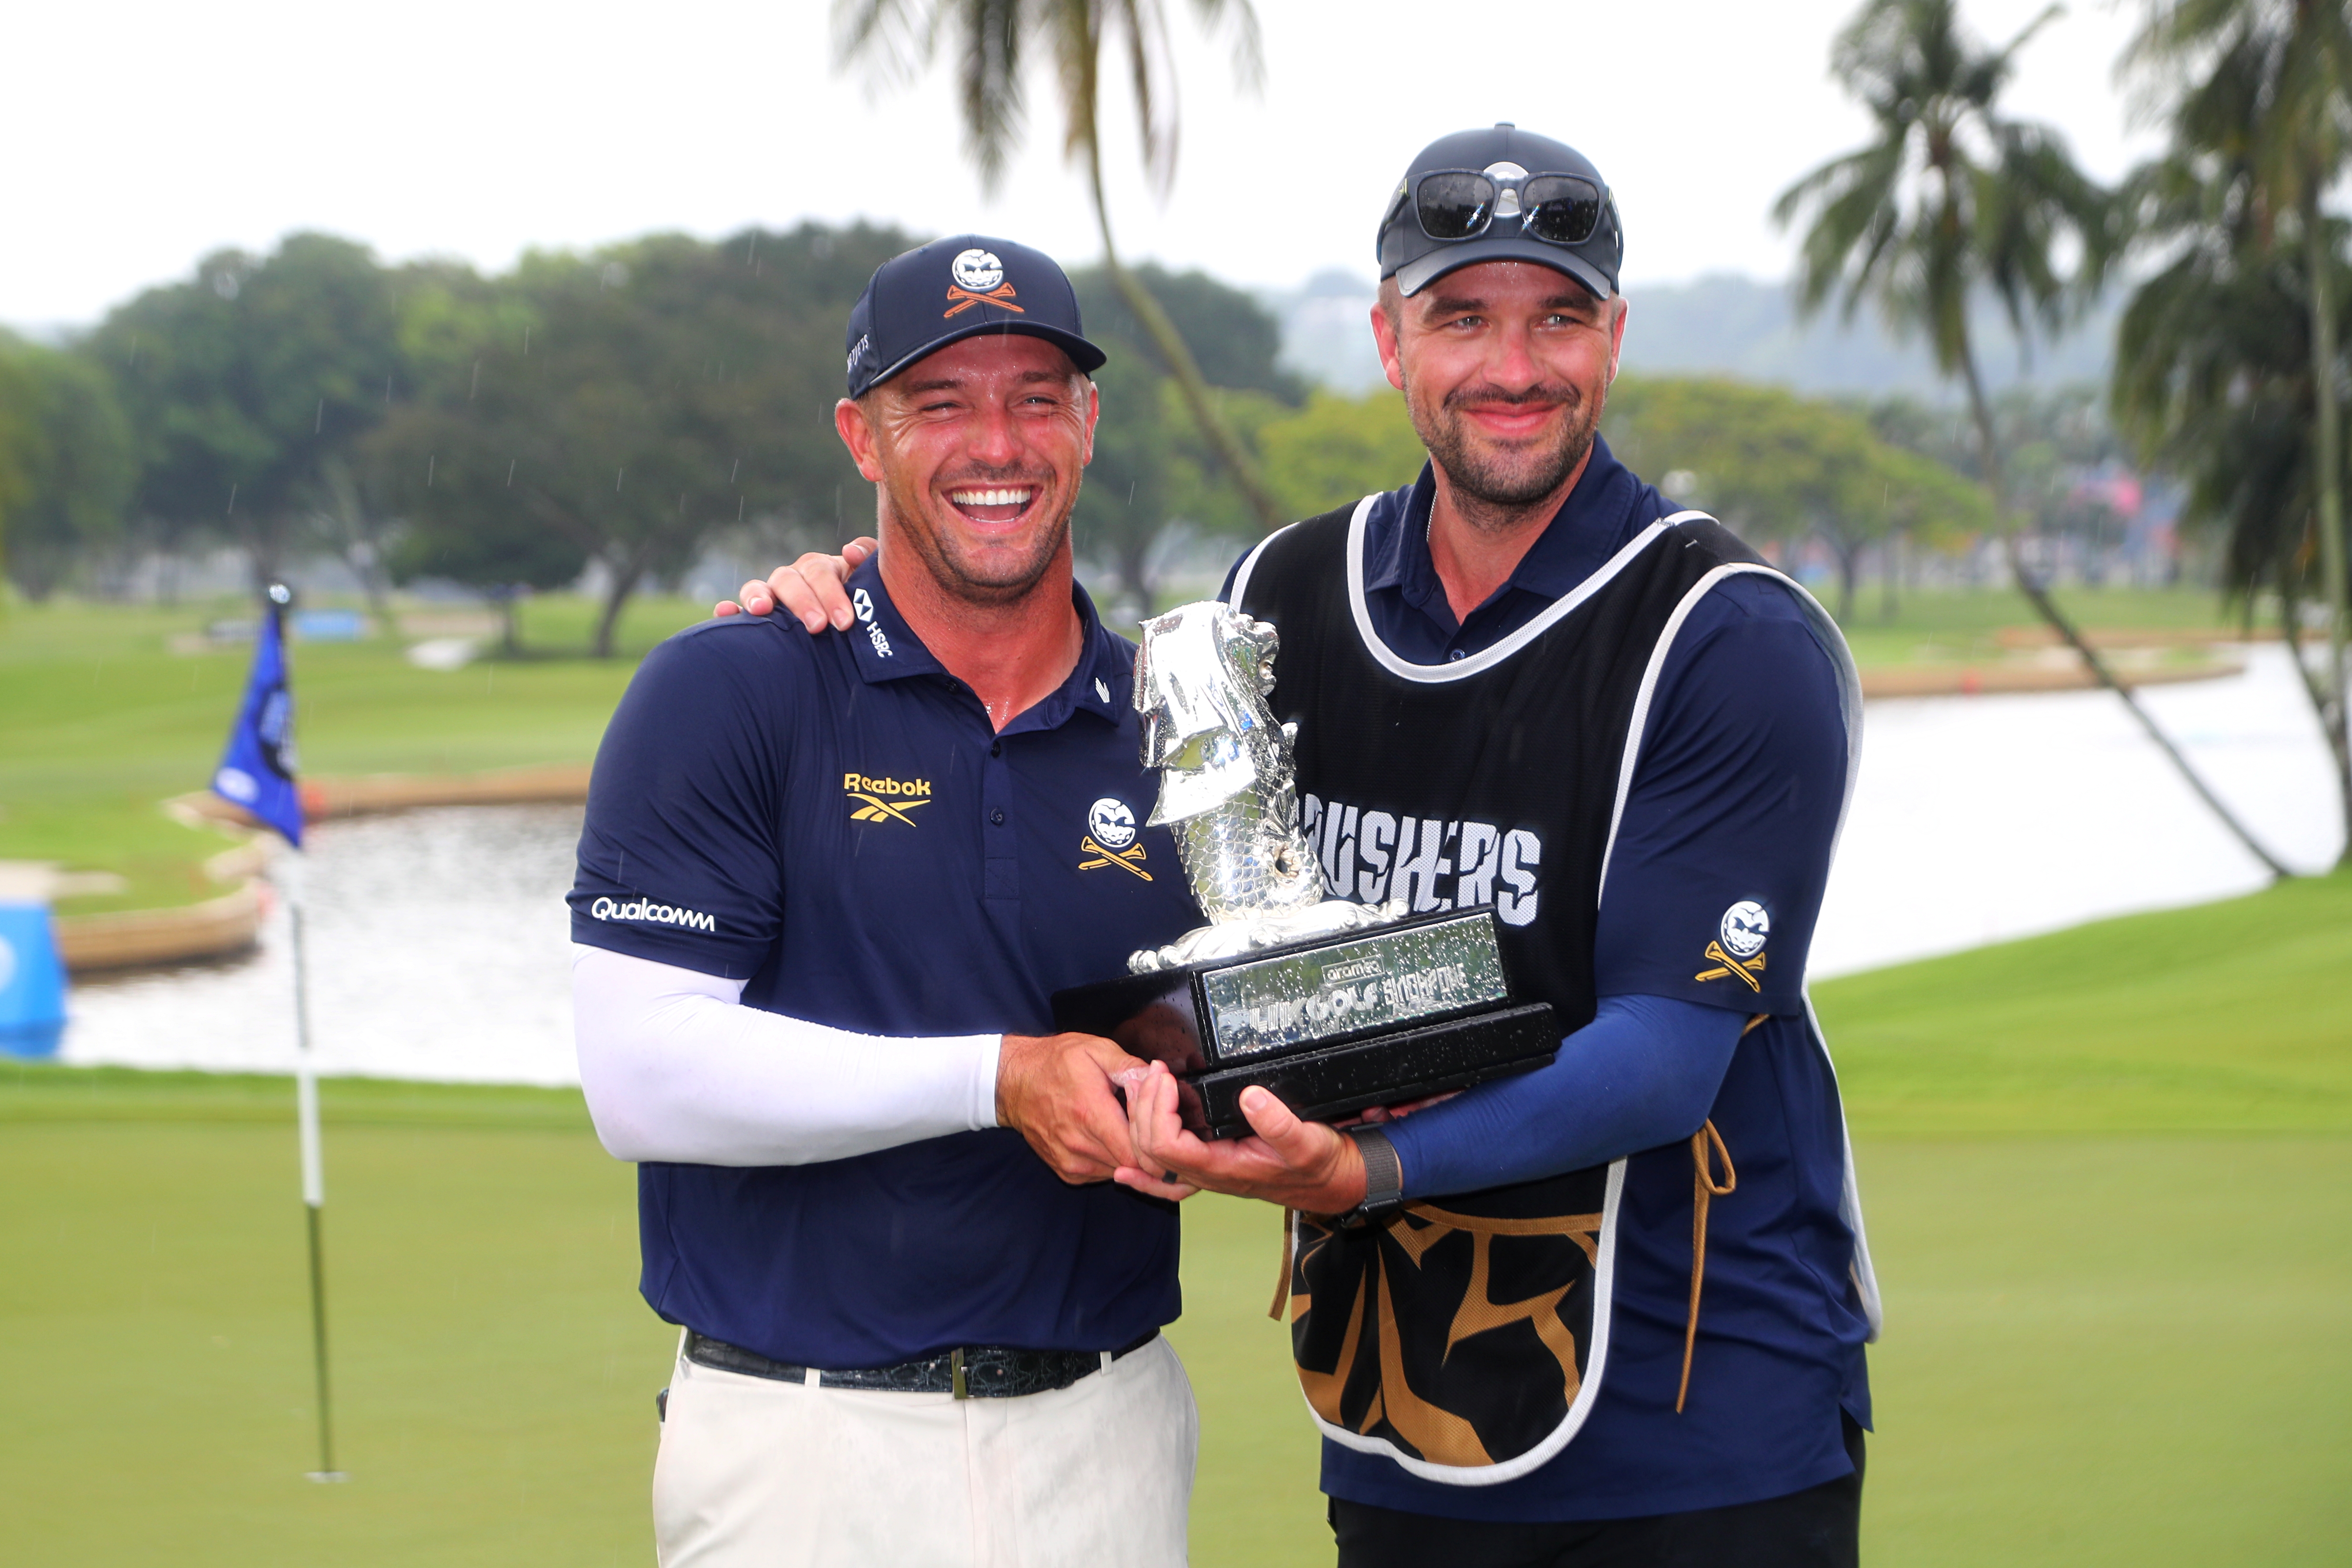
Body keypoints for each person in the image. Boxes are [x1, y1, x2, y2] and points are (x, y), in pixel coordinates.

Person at [734, 126, 1881, 1568]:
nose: (1511, 366)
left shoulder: (1724, 634)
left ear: (1615, 339)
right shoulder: (1281, 594)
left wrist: (1360, 1178)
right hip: (1397, 1420)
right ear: (1390, 340)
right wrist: (864, 589)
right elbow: (1144, 870)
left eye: (1558, 318)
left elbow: (1664, 1053)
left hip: (1698, 1431)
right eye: (1461, 317)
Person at [570, 234, 1206, 1568]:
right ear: (863, 436)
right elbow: (642, 1080)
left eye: (1037, 397)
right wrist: (1000, 1080)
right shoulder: (731, 690)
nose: (999, 443)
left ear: (1086, 423)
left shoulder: (1176, 724)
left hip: (1109, 1432)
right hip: (803, 1453)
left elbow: (1211, 1036)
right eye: (942, 404)